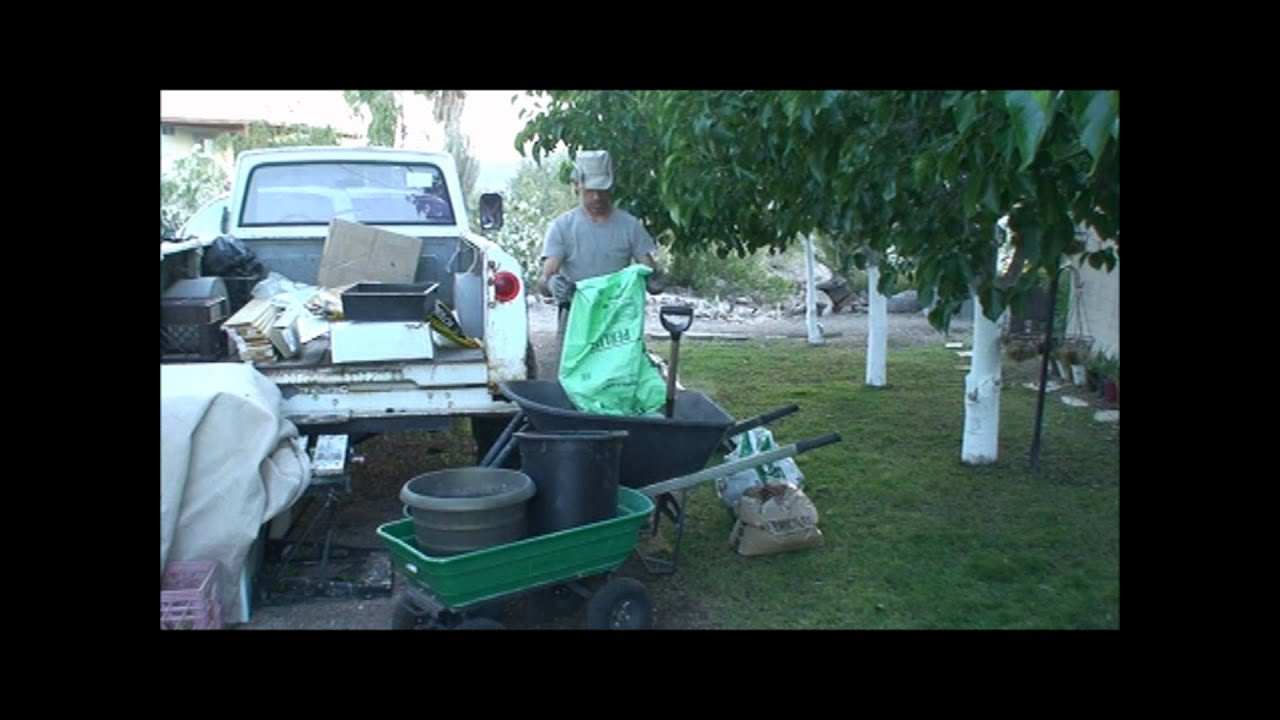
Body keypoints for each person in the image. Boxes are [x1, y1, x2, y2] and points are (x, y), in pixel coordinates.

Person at [537, 150, 661, 377]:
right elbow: (545, 279)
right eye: (590, 190)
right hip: (576, 322)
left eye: (602, 190)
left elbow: (649, 268)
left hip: (618, 324)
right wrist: (553, 284)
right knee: (572, 383)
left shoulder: (630, 226)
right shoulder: (562, 227)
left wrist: (653, 279)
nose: (596, 197)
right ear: (577, 184)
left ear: (612, 186)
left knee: (616, 383)